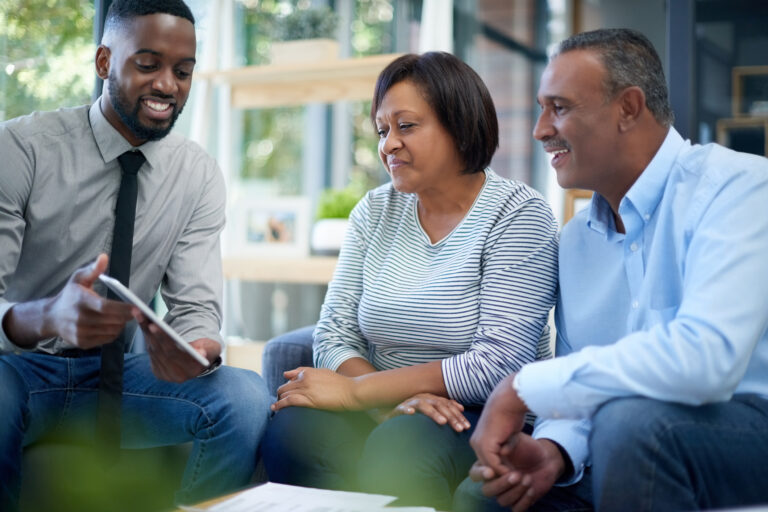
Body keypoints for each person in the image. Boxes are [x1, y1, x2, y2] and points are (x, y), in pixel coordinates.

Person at [458, 28, 768, 512]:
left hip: (747, 425)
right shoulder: (576, 241)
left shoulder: (739, 188)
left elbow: (707, 361)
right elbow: (587, 372)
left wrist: (522, 387)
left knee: (633, 427)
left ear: (628, 108)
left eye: (558, 107)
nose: (540, 130)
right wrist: (554, 452)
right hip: (625, 440)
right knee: (488, 495)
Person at [260, 51, 560, 511]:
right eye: (382, 130)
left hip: (481, 413)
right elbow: (335, 333)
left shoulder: (519, 215)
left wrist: (357, 393)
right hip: (383, 401)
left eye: (407, 126)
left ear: (459, 125)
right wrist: (383, 403)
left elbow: (498, 365)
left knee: (402, 447)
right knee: (292, 431)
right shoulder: (374, 211)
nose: (388, 145)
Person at [0, 1, 270, 509]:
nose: (168, 85)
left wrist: (194, 350)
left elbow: (196, 309)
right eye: (148, 65)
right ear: (104, 62)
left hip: (119, 375)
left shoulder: (196, 175)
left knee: (245, 397)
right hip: (18, 369)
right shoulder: (22, 148)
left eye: (183, 71)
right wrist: (49, 315)